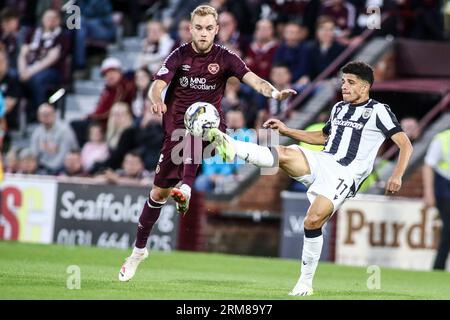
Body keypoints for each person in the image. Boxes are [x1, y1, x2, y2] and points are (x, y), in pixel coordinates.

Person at [118, 4, 296, 282]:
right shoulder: (179, 54)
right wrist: (155, 101)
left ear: (217, 29)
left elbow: (253, 80)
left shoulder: (225, 58)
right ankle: (138, 251)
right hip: (175, 130)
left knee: (198, 129)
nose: (203, 33)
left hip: (208, 124)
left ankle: (189, 185)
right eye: (198, 28)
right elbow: (158, 84)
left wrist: (273, 93)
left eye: (209, 28)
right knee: (157, 195)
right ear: (191, 29)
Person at [206, 61, 413, 295]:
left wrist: (397, 175)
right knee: (284, 153)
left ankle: (305, 282)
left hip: (345, 174)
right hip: (322, 161)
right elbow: (323, 137)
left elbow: (405, 145)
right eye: (344, 81)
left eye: (351, 83)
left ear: (365, 87)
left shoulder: (378, 111)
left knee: (312, 221)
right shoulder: (338, 108)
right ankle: (232, 146)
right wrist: (287, 131)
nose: (345, 86)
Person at [423, 128, 450, 270]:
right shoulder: (442, 138)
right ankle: (438, 267)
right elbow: (428, 165)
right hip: (444, 189)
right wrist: (429, 193)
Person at [30, 103, 79, 174]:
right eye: (43, 114)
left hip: (62, 168)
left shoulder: (64, 131)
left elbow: (64, 155)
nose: (46, 117)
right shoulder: (37, 132)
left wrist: (49, 169)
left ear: (54, 115)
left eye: (48, 114)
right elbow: (34, 153)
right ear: (38, 117)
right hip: (43, 168)